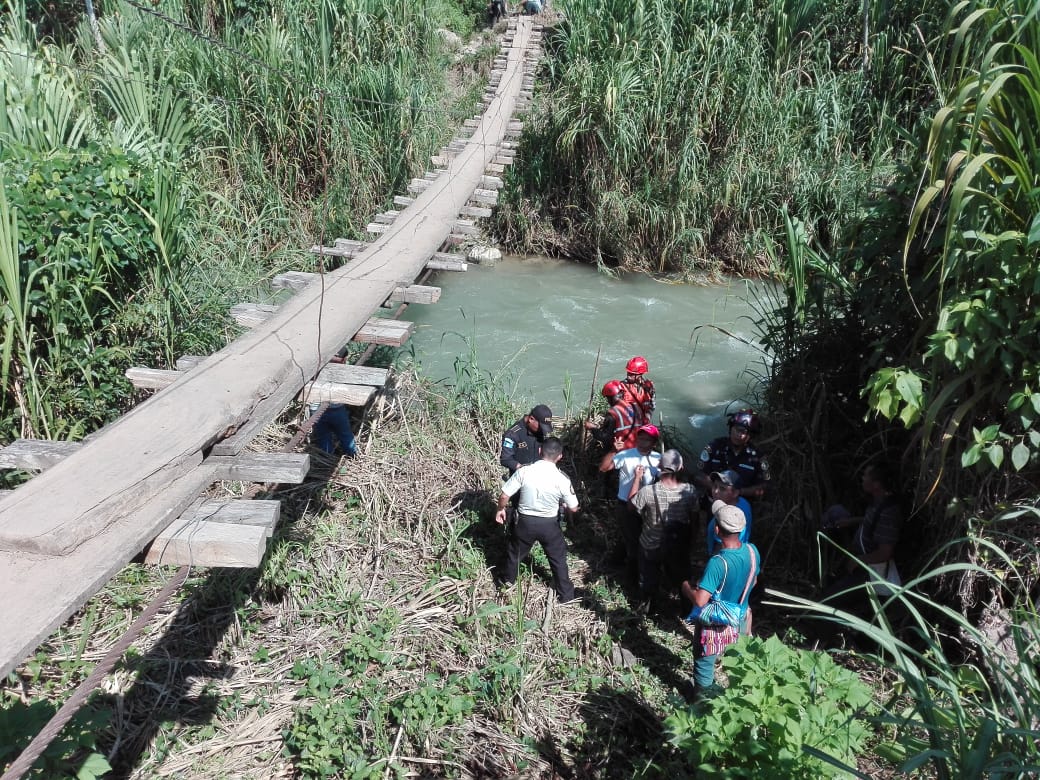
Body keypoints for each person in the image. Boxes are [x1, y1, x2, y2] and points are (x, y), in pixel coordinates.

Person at [682, 501, 760, 701]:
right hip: (740, 617)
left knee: (704, 663)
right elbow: (754, 580)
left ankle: (702, 702)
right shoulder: (753, 552)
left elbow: (700, 601)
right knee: (736, 661)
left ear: (717, 530)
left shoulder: (718, 563)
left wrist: (687, 589)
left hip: (715, 624)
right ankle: (736, 701)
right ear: (741, 529)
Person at [495, 437, 580, 603]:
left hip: (524, 523)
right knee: (558, 559)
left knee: (514, 555)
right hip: (549, 525)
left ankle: (506, 585)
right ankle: (566, 596)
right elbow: (574, 507)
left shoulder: (524, 471)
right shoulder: (562, 479)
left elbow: (505, 495)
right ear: (560, 456)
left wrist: (500, 510)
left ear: (540, 451)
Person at [820, 463, 903, 610]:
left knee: (829, 601)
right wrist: (851, 521)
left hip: (872, 572)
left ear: (876, 484)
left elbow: (885, 553)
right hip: (862, 564)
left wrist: (858, 561)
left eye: (866, 476)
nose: (862, 478)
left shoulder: (889, 511)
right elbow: (872, 521)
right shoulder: (878, 502)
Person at [629, 449, 698, 611]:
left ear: (659, 467)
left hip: (650, 545)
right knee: (682, 578)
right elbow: (695, 521)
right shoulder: (690, 491)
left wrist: (637, 478)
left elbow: (630, 508)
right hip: (677, 545)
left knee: (648, 579)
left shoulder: (648, 491)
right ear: (681, 468)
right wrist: (691, 543)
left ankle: (648, 609)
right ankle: (686, 609)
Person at [600, 425, 661, 576]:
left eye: (647, 439)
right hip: (624, 505)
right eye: (640, 437)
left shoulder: (658, 459)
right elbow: (604, 468)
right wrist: (614, 451)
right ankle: (632, 575)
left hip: (647, 507)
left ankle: (617, 561)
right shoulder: (626, 455)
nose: (642, 441)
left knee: (636, 537)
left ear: (654, 443)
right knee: (632, 540)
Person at [694, 408, 770, 500]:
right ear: (730, 428)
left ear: (750, 436)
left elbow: (763, 486)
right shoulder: (715, 446)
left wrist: (738, 492)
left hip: (740, 504)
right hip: (713, 500)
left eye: (744, 432)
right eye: (737, 429)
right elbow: (699, 475)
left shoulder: (757, 456)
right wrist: (717, 490)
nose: (739, 435)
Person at [309, 356, 357, 458]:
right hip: (334, 410)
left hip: (323, 410)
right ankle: (351, 455)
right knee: (344, 435)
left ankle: (330, 458)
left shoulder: (318, 368)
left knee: (326, 436)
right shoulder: (342, 371)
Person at [585, 380, 644, 450]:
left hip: (623, 451)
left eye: (607, 398)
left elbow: (605, 437)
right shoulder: (635, 407)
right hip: (640, 448)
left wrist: (592, 428)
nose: (607, 401)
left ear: (610, 397)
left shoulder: (612, 413)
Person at [705, 470, 752, 556]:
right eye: (715, 486)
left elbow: (723, 547)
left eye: (722, 489)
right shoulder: (735, 503)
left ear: (735, 493)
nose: (715, 491)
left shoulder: (729, 516)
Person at [500, 404, 553, 476]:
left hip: (540, 476)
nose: (543, 431)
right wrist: (522, 469)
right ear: (531, 419)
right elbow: (506, 459)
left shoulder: (539, 431)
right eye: (541, 427)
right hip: (521, 478)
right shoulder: (512, 434)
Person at [619, 356, 656, 420]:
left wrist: (647, 416)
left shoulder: (649, 386)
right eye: (628, 373)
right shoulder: (621, 387)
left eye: (632, 374)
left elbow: (652, 404)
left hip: (643, 421)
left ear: (640, 374)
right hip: (627, 423)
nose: (628, 376)